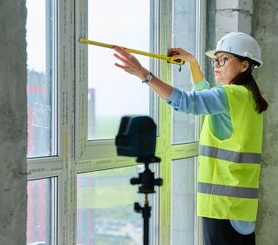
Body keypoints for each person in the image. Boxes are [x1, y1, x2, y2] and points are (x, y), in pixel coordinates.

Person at [113, 31, 268, 245]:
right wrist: (192, 63)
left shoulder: (231, 95)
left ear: (244, 65)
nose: (216, 64)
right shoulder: (248, 98)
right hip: (239, 209)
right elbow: (206, 99)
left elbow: (188, 102)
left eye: (223, 59)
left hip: (221, 208)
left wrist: (144, 74)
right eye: (215, 59)